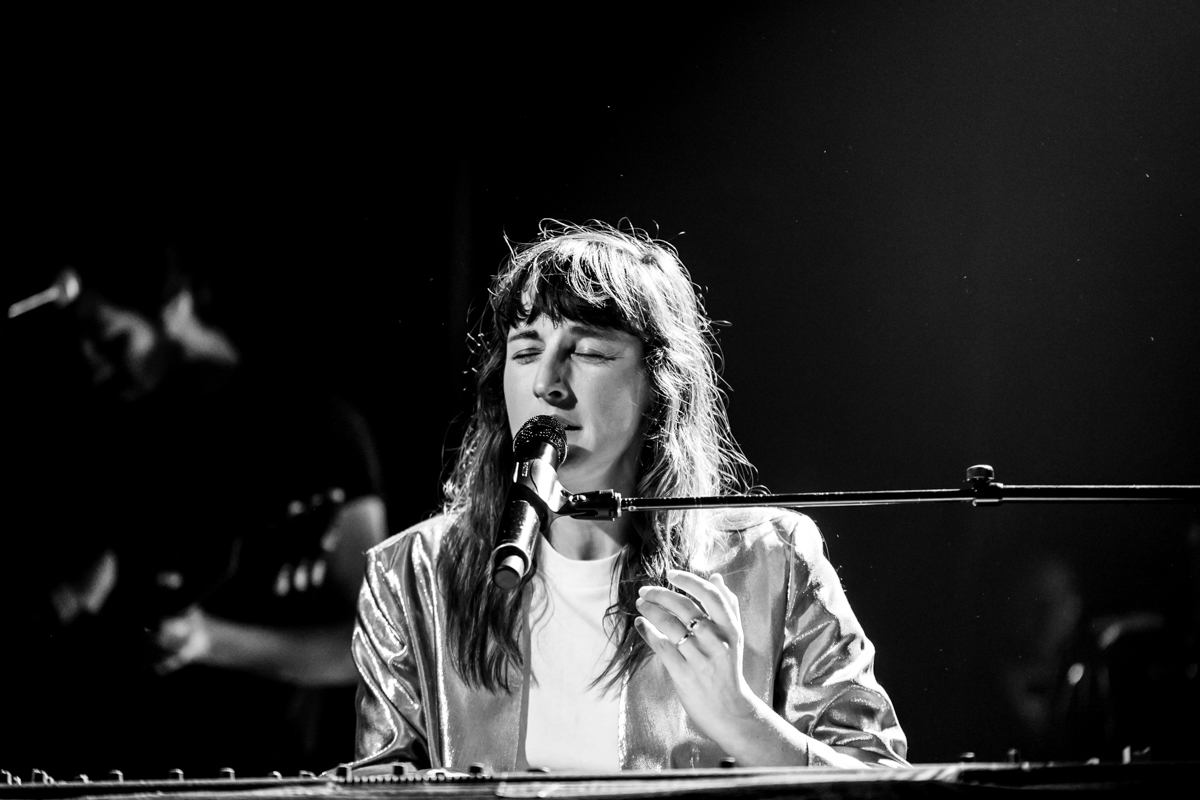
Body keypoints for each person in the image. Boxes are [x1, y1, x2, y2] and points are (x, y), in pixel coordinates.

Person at [351, 221, 907, 772]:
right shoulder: (411, 575)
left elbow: (888, 786)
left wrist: (742, 721)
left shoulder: (771, 558)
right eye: (525, 351)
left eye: (589, 351)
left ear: (660, 383)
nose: (546, 382)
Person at [1, 226, 388, 778]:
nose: (96, 367)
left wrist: (211, 640)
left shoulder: (314, 428)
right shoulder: (119, 435)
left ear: (175, 305)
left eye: (113, 340)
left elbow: (368, 643)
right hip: (107, 765)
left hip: (254, 779)